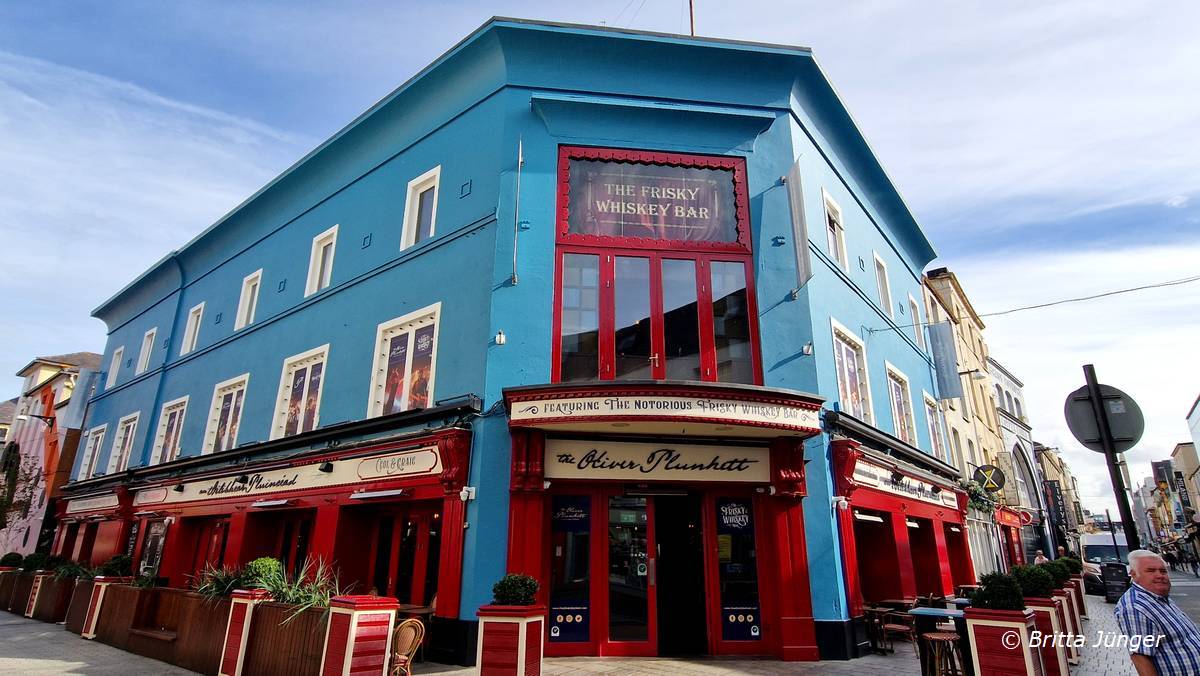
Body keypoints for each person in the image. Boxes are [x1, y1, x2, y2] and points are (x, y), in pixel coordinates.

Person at [1115, 550, 1200, 675]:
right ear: (1134, 574)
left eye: (1163, 571)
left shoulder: (1158, 596)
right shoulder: (1136, 607)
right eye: (1151, 571)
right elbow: (1141, 657)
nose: (1160, 575)